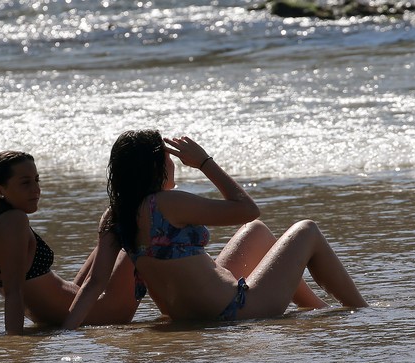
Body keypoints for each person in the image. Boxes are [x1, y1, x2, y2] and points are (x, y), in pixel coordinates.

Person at [62, 130, 367, 328]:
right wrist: (205, 162)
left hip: (188, 316)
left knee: (257, 232)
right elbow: (247, 208)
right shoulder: (167, 203)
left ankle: (317, 309)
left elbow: (94, 283)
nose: (175, 166)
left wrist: (66, 332)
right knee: (306, 230)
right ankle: (361, 311)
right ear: (155, 168)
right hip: (235, 310)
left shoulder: (115, 216)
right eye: (170, 160)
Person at [0, 151, 140, 335]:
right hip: (104, 312)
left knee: (115, 229)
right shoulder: (14, 221)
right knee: (144, 225)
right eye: (25, 183)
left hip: (66, 313)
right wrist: (15, 347)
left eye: (37, 180)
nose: (36, 189)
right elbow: (14, 291)